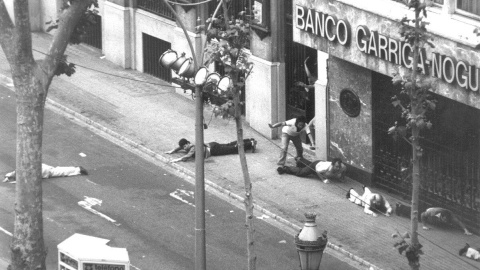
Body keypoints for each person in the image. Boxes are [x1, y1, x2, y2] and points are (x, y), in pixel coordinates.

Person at [166, 138, 257, 163]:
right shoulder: (190, 145)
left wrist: (176, 160)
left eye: (184, 147)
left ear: (187, 144)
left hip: (213, 150)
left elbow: (188, 156)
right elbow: (180, 148)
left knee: (232, 149)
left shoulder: (193, 148)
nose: (184, 148)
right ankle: (248, 141)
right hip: (212, 145)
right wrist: (173, 151)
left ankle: (250, 144)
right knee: (230, 145)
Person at [277, 157, 346, 184]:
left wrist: (342, 178)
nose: (338, 168)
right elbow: (317, 171)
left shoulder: (343, 167)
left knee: (309, 165)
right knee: (301, 172)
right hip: (315, 166)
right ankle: (286, 169)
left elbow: (344, 170)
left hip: (320, 163)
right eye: (336, 167)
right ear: (332, 165)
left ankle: (300, 160)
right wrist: (323, 180)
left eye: (339, 166)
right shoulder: (326, 167)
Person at [3, 163, 88, 183]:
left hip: (42, 171)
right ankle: (76, 169)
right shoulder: (19, 171)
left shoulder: (21, 175)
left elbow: (22, 182)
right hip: (40, 167)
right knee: (58, 170)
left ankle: (78, 170)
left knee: (59, 172)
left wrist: (10, 179)